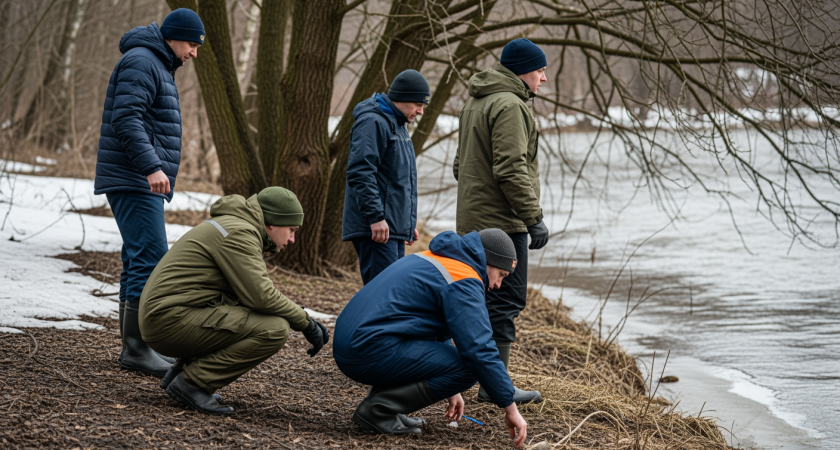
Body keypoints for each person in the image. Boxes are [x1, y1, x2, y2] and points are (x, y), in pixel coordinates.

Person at [138, 187, 330, 415]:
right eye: (291, 229)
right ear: (272, 223)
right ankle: (193, 383)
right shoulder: (240, 233)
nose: (292, 239)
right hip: (167, 322)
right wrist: (305, 323)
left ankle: (183, 370)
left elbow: (246, 295)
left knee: (256, 314)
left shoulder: (233, 225)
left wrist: (293, 311)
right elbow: (261, 296)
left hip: (167, 316)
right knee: (274, 329)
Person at [333, 229, 528, 447]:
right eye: (501, 275)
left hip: (353, 343)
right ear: (488, 261)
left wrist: (452, 388)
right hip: (365, 350)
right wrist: (510, 407)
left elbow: (437, 329)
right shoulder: (465, 278)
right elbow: (479, 349)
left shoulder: (439, 258)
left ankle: (384, 407)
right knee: (469, 367)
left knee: (460, 360)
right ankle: (379, 410)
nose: (498, 284)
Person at [93, 8, 205, 377]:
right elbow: (127, 118)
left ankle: (134, 346)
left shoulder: (156, 62)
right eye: (191, 44)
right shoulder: (143, 61)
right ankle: (138, 348)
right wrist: (151, 167)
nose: (193, 52)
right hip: (133, 176)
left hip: (136, 177)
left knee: (139, 254)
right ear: (173, 36)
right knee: (152, 256)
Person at [453, 38, 550, 404]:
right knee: (506, 301)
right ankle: (496, 388)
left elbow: (459, 167)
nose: (543, 79)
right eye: (540, 70)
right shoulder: (510, 105)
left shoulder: (476, 101)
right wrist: (533, 218)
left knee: (475, 300)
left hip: (473, 222)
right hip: (502, 227)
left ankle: (469, 380)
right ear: (524, 70)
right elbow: (511, 168)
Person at [342, 69, 429, 284]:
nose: (421, 112)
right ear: (404, 97)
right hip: (377, 228)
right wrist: (375, 217)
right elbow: (361, 172)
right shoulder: (373, 122)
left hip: (390, 228)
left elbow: (396, 181)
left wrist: (406, 222)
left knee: (392, 292)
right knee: (383, 294)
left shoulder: (397, 125)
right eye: (419, 104)